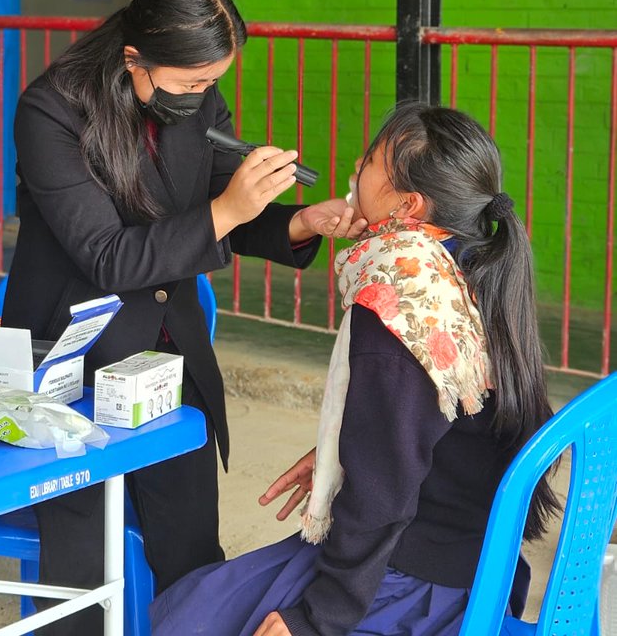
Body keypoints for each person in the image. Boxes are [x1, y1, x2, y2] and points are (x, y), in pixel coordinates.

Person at [2, 0, 365, 636]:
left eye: (213, 83)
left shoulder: (194, 101)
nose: (204, 96)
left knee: (191, 553)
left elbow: (226, 206)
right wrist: (227, 209)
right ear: (134, 58)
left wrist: (300, 221)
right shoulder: (51, 111)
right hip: (70, 365)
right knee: (78, 565)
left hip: (166, 354)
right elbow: (110, 257)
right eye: (193, 82)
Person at [151, 102, 559, 636]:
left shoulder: (398, 302)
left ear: (407, 205)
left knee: (183, 617)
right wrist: (350, 445)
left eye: (369, 161)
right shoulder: (470, 264)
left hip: (414, 581)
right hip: (476, 559)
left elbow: (380, 500)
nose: (355, 169)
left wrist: (317, 620)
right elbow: (427, 426)